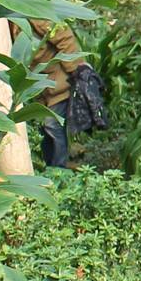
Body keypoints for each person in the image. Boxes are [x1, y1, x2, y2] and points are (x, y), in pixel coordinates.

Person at [28, 19, 86, 169]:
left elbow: (64, 37)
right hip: (40, 84)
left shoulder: (34, 15)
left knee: (52, 125)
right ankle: (49, 167)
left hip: (58, 80)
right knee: (44, 128)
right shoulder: (7, 23)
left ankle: (58, 169)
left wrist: (77, 70)